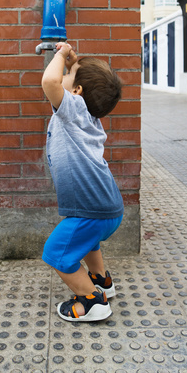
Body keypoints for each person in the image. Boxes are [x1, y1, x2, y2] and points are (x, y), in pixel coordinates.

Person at [41, 42, 124, 322]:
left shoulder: (73, 108)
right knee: (87, 242)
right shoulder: (87, 115)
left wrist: (62, 55)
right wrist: (74, 66)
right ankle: (102, 281)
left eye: (69, 74)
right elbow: (67, 83)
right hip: (106, 207)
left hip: (93, 208)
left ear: (76, 92)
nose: (62, 74)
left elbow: (49, 82)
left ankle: (91, 301)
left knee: (56, 253)